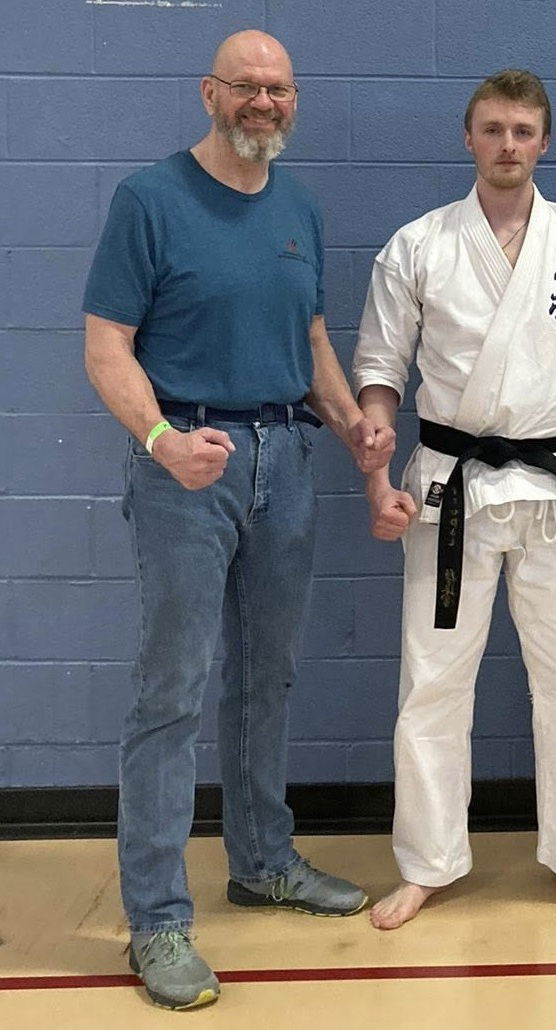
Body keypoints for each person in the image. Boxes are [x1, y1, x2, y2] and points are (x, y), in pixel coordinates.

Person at [81, 30, 387, 1011]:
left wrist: (350, 423)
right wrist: (162, 440)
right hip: (187, 464)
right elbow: (106, 345)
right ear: (210, 93)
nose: (264, 102)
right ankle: (158, 918)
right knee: (171, 689)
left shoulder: (299, 206)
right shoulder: (149, 199)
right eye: (247, 86)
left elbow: (309, 337)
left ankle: (262, 862)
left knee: (267, 677)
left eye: (279, 89)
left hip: (284, 459)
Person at [351, 69, 556, 930]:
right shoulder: (418, 245)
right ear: (468, 138)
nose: (507, 144)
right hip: (448, 485)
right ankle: (427, 862)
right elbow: (379, 368)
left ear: (544, 142)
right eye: (492, 129)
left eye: (523, 131)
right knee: (433, 681)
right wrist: (376, 479)